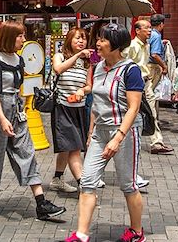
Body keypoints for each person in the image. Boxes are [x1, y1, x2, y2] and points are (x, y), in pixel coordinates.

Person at [0, 21, 65, 220]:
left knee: (26, 152)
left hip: (16, 111)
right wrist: (2, 119)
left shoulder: (18, 60)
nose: (24, 40)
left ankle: (41, 202)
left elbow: (18, 87)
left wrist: (22, 109)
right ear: (10, 37)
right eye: (20, 36)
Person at [66, 24, 146, 242]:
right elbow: (93, 91)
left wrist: (118, 138)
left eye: (103, 40)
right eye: (98, 39)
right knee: (87, 182)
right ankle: (82, 235)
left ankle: (137, 232)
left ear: (116, 44)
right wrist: (82, 92)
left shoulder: (131, 70)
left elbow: (134, 107)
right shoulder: (99, 66)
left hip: (124, 133)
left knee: (128, 185)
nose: (98, 43)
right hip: (101, 132)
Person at [49, 28, 92, 194]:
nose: (81, 42)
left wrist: (83, 91)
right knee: (73, 147)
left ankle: (57, 179)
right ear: (69, 40)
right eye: (77, 39)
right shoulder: (60, 56)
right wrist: (77, 56)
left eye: (83, 39)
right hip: (62, 107)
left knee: (67, 147)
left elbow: (89, 85)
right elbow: (58, 69)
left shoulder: (88, 63)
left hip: (78, 109)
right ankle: (84, 185)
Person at [145, 14, 174, 155]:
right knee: (151, 105)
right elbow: (155, 54)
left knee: (149, 103)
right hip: (152, 70)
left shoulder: (148, 36)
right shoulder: (155, 35)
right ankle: (156, 142)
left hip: (146, 71)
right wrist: (164, 66)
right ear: (161, 24)